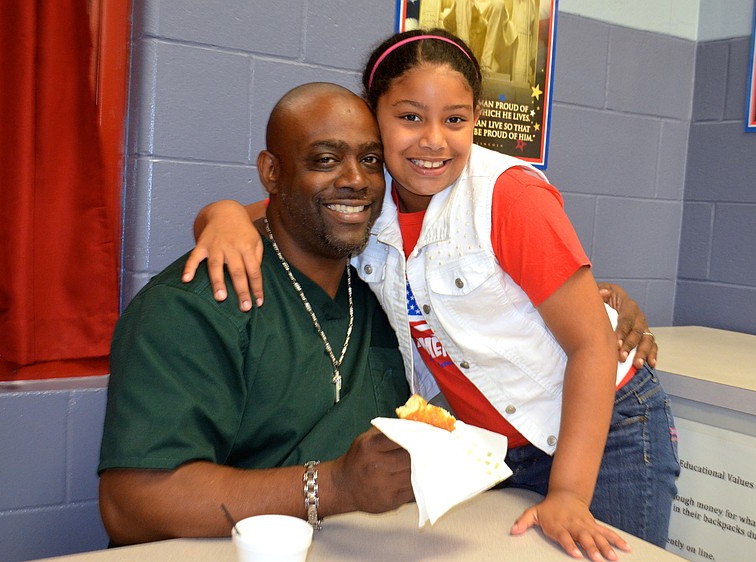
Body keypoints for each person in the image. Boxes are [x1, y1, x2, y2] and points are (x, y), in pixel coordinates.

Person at [187, 30, 679, 562]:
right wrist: (221, 215)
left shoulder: (509, 196)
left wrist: (568, 494)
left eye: (455, 119)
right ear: (373, 116)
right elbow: (267, 212)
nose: (434, 141)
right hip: (495, 447)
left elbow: (590, 345)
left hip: (605, 436)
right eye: (410, 117)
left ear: (475, 121)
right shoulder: (365, 203)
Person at [98, 83, 415, 546]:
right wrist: (335, 485)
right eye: (325, 159)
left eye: (370, 160)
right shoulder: (195, 304)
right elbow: (131, 504)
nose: (356, 179)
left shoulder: (382, 292)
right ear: (271, 172)